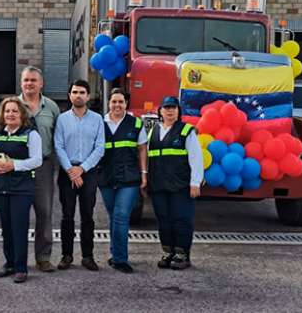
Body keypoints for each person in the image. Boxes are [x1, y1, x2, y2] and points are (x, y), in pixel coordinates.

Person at [0, 97, 43, 283]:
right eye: (7, 111)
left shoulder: (30, 134)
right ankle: (9, 263)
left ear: (22, 114)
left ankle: (21, 268)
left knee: (19, 228)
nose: (10, 114)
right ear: (2, 115)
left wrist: (14, 165)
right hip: (2, 187)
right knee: (6, 228)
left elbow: (37, 160)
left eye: (14, 111)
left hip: (22, 188)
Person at [146, 96, 203, 271]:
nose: (170, 111)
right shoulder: (153, 132)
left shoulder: (186, 131)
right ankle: (168, 251)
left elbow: (196, 158)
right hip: (159, 186)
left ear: (179, 111)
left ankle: (182, 254)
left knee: (181, 220)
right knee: (163, 220)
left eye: (174, 108)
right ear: (160, 111)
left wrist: (195, 183)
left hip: (181, 186)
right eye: (166, 107)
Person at [54, 79, 105, 271]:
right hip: (67, 171)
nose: (78, 95)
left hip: (88, 172)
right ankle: (66, 255)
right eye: (75, 92)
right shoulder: (62, 119)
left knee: (87, 216)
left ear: (88, 96)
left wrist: (82, 169)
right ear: (70, 95)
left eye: (82, 92)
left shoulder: (97, 119)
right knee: (67, 216)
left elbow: (100, 148)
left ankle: (87, 256)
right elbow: (58, 146)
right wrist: (71, 171)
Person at [98, 88, 148, 274]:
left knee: (121, 215)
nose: (117, 105)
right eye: (114, 102)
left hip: (129, 178)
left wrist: (143, 173)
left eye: (121, 102)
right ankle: (114, 253)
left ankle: (120, 258)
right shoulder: (99, 123)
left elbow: (142, 149)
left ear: (126, 104)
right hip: (106, 177)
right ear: (109, 103)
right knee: (114, 217)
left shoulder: (136, 124)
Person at [18, 66, 61, 272]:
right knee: (19, 214)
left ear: (41, 83)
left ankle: (43, 257)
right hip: (17, 168)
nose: (29, 84)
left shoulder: (51, 107)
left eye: (33, 80)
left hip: (43, 166)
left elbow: (58, 139)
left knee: (44, 212)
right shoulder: (12, 105)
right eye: (26, 80)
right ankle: (17, 259)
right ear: (21, 83)